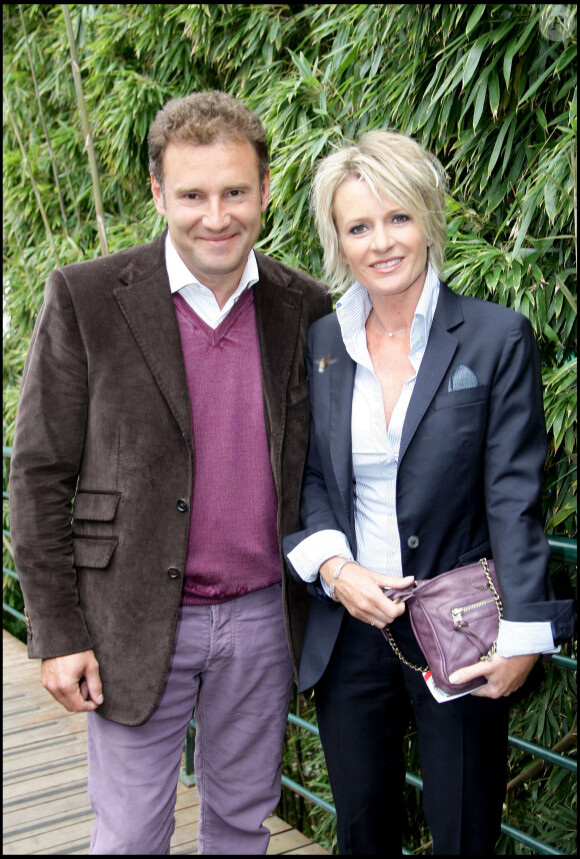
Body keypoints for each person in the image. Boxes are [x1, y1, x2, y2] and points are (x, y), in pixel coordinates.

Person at [8, 90, 331, 855]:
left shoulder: (306, 307)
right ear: (158, 194)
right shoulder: (87, 297)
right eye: (191, 194)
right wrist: (57, 632)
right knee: (129, 835)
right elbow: (38, 473)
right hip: (130, 617)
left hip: (260, 620)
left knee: (240, 827)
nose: (215, 215)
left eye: (234, 192)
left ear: (264, 190)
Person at [283, 130, 574, 855]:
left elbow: (513, 493)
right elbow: (310, 475)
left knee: (465, 828)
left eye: (398, 217)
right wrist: (335, 569)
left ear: (428, 219)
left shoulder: (494, 337)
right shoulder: (321, 343)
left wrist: (523, 635)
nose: (381, 241)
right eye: (359, 226)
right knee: (361, 829)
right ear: (338, 240)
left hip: (465, 626)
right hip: (352, 627)